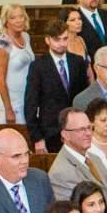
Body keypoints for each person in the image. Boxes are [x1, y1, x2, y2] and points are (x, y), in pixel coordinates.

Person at [23, 16, 87, 153]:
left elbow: (84, 97)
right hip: (50, 131)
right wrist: (37, 138)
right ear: (48, 40)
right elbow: (30, 104)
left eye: (65, 39)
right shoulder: (38, 66)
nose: (61, 43)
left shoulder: (78, 62)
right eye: (57, 39)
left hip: (76, 130)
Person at [0, 3, 33, 127]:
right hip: (13, 104)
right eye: (13, 18)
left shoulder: (26, 36)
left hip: (27, 98)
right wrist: (8, 109)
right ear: (6, 21)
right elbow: (0, 80)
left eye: (21, 16)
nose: (18, 21)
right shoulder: (3, 43)